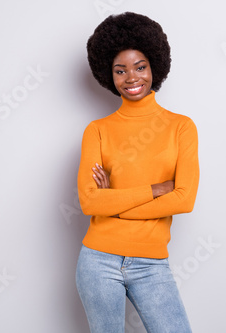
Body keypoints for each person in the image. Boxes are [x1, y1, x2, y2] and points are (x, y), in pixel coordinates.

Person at [76, 12, 200, 333]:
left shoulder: (180, 127)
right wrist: (156, 189)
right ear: (110, 75)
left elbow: (184, 200)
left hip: (151, 263)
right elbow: (90, 203)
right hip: (98, 260)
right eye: (121, 70)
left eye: (140, 66)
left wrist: (114, 205)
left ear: (154, 66)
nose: (131, 77)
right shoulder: (97, 130)